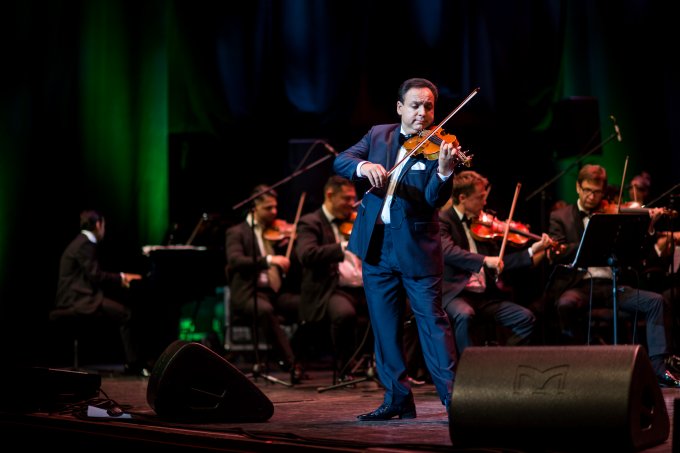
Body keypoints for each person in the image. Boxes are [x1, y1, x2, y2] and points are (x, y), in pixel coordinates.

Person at [333, 77, 458, 420]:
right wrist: (364, 166)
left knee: (432, 323)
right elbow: (341, 160)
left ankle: (454, 399)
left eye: (428, 107)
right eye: (415, 106)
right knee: (385, 328)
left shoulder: (439, 147)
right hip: (376, 245)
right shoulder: (378, 135)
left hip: (417, 248)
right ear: (400, 107)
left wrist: (444, 172)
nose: (422, 113)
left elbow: (433, 199)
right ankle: (398, 399)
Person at [548, 163, 680, 387]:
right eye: (587, 190)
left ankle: (659, 368)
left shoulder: (613, 213)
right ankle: (579, 361)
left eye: (597, 192)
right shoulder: (560, 216)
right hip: (580, 285)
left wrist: (649, 226)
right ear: (578, 187)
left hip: (612, 286)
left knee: (656, 302)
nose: (592, 196)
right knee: (565, 304)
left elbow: (638, 252)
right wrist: (592, 238)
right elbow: (558, 253)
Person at [440, 170, 552, 357]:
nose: (485, 202)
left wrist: (533, 250)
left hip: (484, 297)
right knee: (465, 314)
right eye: (480, 197)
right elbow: (449, 252)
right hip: (456, 294)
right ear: (462, 198)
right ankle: (470, 370)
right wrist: (484, 260)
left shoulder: (483, 225)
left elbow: (500, 262)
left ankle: (500, 364)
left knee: (525, 318)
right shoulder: (443, 220)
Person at [225, 184, 304, 383]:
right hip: (249, 292)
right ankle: (291, 364)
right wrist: (269, 259)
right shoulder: (237, 232)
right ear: (254, 207)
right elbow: (235, 261)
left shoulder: (275, 231)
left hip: (275, 292)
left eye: (275, 207)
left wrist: (291, 244)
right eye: (268, 208)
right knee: (265, 310)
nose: (274, 212)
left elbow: (293, 263)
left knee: (309, 305)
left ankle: (293, 356)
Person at [54, 209, 147, 375]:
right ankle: (134, 364)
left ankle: (132, 362)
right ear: (98, 224)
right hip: (77, 299)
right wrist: (122, 278)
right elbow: (96, 276)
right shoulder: (84, 244)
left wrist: (120, 278)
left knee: (121, 312)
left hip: (79, 296)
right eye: (104, 226)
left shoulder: (81, 242)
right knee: (126, 314)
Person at [294, 175, 366, 378]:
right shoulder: (310, 222)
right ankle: (345, 366)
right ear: (330, 195)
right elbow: (307, 254)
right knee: (344, 314)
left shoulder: (355, 221)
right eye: (346, 198)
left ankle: (389, 367)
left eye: (353, 198)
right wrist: (343, 246)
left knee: (400, 308)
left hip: (362, 286)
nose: (351, 203)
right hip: (331, 289)